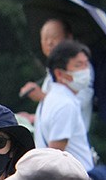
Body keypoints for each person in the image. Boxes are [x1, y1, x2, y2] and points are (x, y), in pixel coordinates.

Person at [19, 18, 93, 129]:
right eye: (45, 39)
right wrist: (33, 118)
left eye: (54, 38)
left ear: (68, 37)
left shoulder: (80, 68)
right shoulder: (51, 71)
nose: (49, 43)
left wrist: (42, 96)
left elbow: (77, 104)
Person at [33, 40, 95, 171]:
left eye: (86, 64)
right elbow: (55, 154)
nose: (86, 71)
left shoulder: (52, 98)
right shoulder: (65, 104)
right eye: (79, 65)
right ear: (59, 74)